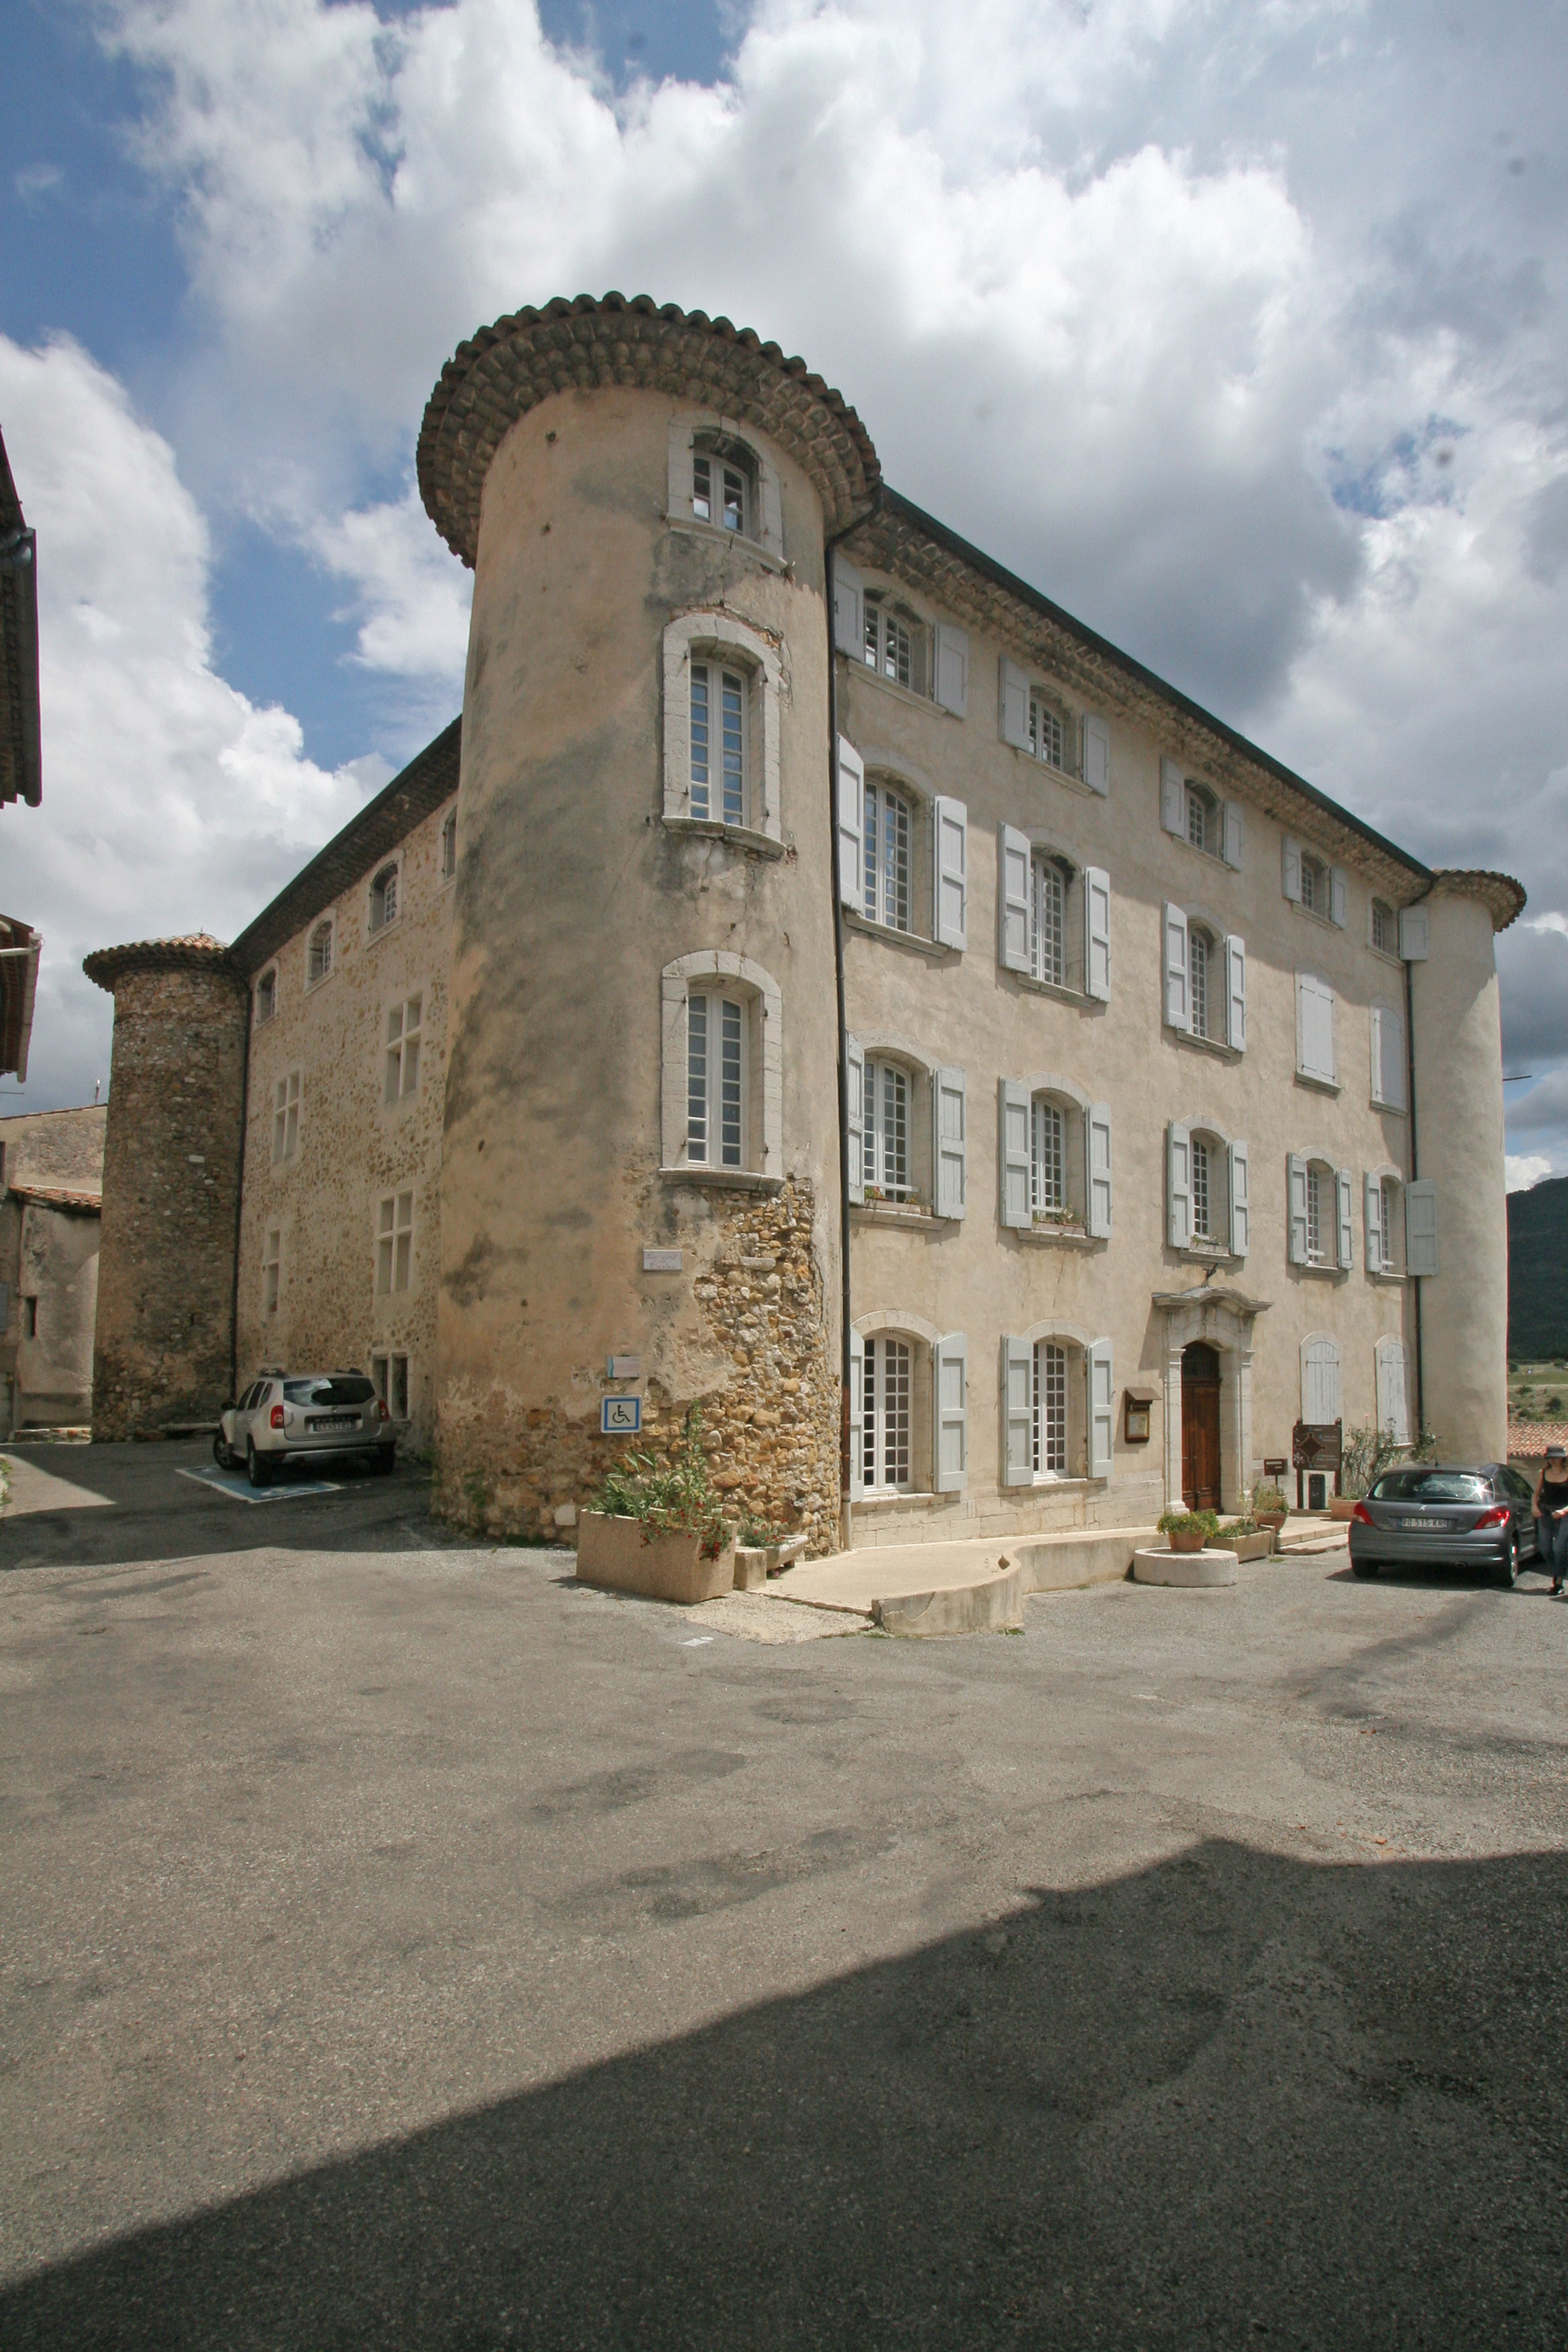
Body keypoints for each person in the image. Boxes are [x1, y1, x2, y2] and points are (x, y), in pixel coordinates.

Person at [1534, 1443, 1568, 1596]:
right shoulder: (1543, 1473)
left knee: (1560, 1548)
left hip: (1565, 1513)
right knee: (1545, 1549)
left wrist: (1563, 1511)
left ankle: (1558, 1583)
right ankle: (1560, 1570)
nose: (1553, 1460)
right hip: (1545, 1512)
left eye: (1556, 1457)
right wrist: (1534, 1507)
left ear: (1562, 1459)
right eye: (1550, 1458)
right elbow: (1536, 1495)